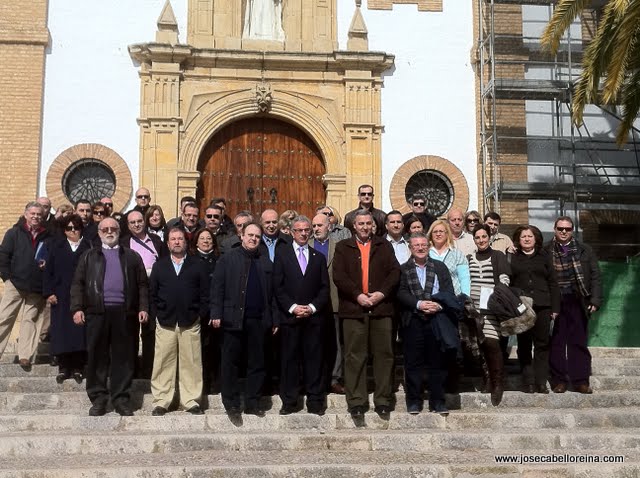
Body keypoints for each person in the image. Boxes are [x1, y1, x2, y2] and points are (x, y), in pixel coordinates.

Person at [70, 217, 149, 416]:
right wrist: (77, 308)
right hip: (97, 313)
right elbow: (78, 284)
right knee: (97, 357)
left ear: (119, 231)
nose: (109, 231)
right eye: (104, 229)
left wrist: (143, 307)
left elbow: (142, 285)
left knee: (124, 358)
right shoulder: (89, 256)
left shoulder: (132, 256)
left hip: (125, 313)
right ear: (99, 233)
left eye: (113, 228)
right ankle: (98, 398)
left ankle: (121, 398)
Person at [332, 209, 400, 421]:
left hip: (381, 309)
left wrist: (380, 294)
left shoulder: (384, 245)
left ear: (373, 225)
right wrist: (357, 296)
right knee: (354, 357)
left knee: (384, 356)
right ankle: (357, 402)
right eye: (360, 223)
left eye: (368, 223)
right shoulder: (343, 247)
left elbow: (394, 272)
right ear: (354, 225)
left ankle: (382, 400)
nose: (364, 227)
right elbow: (339, 276)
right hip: (353, 310)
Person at [210, 223, 276, 417]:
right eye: (250, 235)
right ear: (241, 235)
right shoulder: (227, 259)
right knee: (230, 362)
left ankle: (252, 402)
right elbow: (217, 288)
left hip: (258, 320)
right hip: (233, 318)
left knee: (257, 362)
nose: (253, 238)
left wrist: (274, 319)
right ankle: (231, 403)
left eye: (257, 236)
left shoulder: (265, 262)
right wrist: (216, 313)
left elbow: (272, 295)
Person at [149, 227, 209, 416]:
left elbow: (205, 294)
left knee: (191, 362)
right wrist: (157, 314)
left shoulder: (197, 265)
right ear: (167, 243)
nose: (176, 242)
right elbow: (152, 294)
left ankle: (191, 401)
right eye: (173, 239)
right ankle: (161, 401)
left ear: (186, 242)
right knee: (162, 362)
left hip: (190, 321)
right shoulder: (160, 266)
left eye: (180, 239)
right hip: (165, 321)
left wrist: (199, 314)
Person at [273, 216, 330, 415]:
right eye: (299, 230)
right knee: (289, 360)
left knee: (314, 359)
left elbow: (324, 289)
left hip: (313, 319)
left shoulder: (318, 257)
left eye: (307, 230)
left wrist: (312, 308)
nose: (304, 233)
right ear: (292, 232)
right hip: (290, 318)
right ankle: (290, 400)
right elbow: (277, 287)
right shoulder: (282, 255)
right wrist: (293, 307)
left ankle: (315, 400)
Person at [397, 233, 457, 415]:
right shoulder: (402, 269)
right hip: (413, 320)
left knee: (436, 362)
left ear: (428, 246)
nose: (420, 248)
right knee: (413, 363)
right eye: (416, 245)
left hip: (436, 320)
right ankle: (414, 401)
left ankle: (437, 401)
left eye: (423, 244)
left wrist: (438, 305)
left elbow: (448, 291)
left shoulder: (440, 267)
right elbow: (400, 293)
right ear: (410, 248)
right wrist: (419, 304)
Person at [544, 216, 602, 394]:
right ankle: (559, 380)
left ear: (572, 231)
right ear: (555, 229)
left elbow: (595, 276)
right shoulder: (545, 250)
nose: (563, 232)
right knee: (557, 342)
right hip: (556, 301)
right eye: (560, 228)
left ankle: (580, 381)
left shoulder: (585, 250)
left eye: (567, 229)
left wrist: (595, 300)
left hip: (578, 301)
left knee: (578, 342)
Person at [509, 225, 560, 394]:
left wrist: (555, 307)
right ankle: (528, 381)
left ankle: (540, 382)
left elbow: (553, 282)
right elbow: (508, 281)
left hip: (543, 305)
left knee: (542, 345)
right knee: (524, 345)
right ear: (518, 239)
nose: (526, 239)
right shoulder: (512, 257)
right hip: (522, 307)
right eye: (523, 236)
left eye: (530, 236)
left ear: (536, 238)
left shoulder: (544, 256)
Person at [0, 202, 50, 371]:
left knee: (31, 321)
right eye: (33, 213)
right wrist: (7, 278)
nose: (36, 217)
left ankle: (25, 356)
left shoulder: (48, 236)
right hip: (15, 284)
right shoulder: (14, 233)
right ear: (26, 214)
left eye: (39, 214)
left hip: (36, 287)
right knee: (4, 318)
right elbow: (3, 256)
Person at [43, 214, 92, 383]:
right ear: (64, 230)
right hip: (60, 296)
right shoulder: (57, 247)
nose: (73, 231)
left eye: (76, 228)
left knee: (79, 332)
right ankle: (64, 368)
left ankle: (78, 367)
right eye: (69, 228)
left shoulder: (88, 247)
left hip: (81, 298)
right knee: (61, 331)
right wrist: (49, 292)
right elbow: (48, 272)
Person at [121, 210, 169, 379]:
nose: (137, 224)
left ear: (144, 221)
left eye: (139, 221)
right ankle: (132, 370)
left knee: (150, 332)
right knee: (130, 332)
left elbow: (165, 264)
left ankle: (149, 369)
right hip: (131, 292)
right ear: (128, 225)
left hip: (152, 291)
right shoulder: (123, 243)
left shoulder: (156, 241)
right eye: (132, 222)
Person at [468, 224, 510, 406]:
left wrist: (499, 292)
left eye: (484, 236)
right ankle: (487, 378)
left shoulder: (498, 256)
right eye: (478, 237)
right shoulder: (469, 258)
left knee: (492, 344)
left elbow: (504, 278)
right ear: (474, 239)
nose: (481, 240)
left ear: (489, 237)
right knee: (479, 345)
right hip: (473, 309)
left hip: (491, 308)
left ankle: (498, 382)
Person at [310, 213, 343, 394]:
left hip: (335, 301)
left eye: (319, 225)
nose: (316, 229)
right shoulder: (305, 246)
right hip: (312, 303)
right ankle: (314, 377)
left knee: (336, 342)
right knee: (313, 343)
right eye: (314, 226)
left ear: (328, 226)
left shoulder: (339, 247)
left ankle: (334, 378)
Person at [191, 227, 219, 393]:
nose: (206, 241)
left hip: (215, 313)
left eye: (209, 238)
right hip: (197, 313)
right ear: (196, 242)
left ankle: (214, 383)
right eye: (202, 238)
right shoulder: (191, 261)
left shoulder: (220, 260)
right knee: (198, 349)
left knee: (214, 350)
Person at [427, 220, 470, 297]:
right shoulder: (426, 254)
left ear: (447, 234)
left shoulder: (457, 254)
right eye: (435, 232)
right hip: (431, 300)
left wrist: (465, 298)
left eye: (441, 231)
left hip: (454, 299)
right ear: (431, 235)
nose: (438, 234)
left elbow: (464, 278)